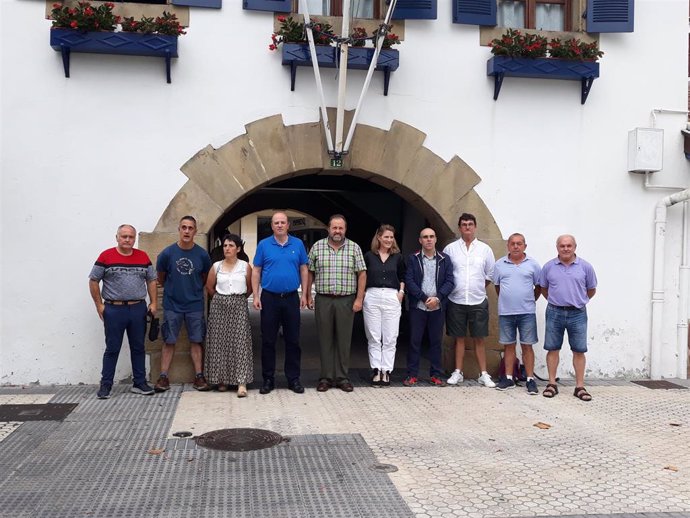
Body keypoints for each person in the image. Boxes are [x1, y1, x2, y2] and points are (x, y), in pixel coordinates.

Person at [88, 224, 157, 399]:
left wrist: (154, 302)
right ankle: (106, 386)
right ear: (117, 237)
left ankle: (139, 383)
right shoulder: (106, 256)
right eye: (124, 236)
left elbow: (151, 280)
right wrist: (99, 305)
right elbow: (94, 280)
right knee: (112, 348)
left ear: (134, 239)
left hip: (137, 308)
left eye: (131, 237)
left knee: (138, 347)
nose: (127, 240)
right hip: (114, 309)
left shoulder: (143, 256)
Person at [307, 214, 366, 393]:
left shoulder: (354, 248)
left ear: (345, 229)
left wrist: (359, 299)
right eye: (334, 228)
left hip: (346, 300)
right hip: (324, 299)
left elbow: (362, 274)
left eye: (341, 228)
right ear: (328, 229)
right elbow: (310, 272)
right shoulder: (317, 247)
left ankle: (342, 377)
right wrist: (308, 294)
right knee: (325, 339)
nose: (337, 231)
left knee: (344, 339)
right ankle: (325, 377)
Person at [251, 211, 309, 395]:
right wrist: (256, 295)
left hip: (291, 297)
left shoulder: (298, 244)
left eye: (283, 222)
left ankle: (293, 379)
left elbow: (304, 269)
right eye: (276, 223)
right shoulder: (264, 245)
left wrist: (304, 294)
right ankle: (268, 379)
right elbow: (256, 271)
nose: (280, 225)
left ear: (288, 225)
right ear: (272, 226)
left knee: (293, 340)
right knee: (268, 340)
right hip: (269, 298)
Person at [154, 215, 212, 392]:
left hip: (194, 304)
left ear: (195, 231)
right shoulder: (167, 253)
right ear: (179, 229)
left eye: (190, 228)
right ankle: (163, 377)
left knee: (196, 340)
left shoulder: (202, 255)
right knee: (169, 340)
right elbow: (161, 277)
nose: (187, 231)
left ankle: (199, 376)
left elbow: (204, 278)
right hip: (172, 305)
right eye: (184, 227)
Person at [539, 234, 597, 401]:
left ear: (574, 247)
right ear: (557, 247)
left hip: (577, 313)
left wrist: (579, 300)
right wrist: (556, 301)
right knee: (552, 348)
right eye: (562, 246)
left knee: (579, 350)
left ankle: (579, 387)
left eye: (569, 246)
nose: (565, 248)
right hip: (554, 312)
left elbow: (591, 289)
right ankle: (551, 384)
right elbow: (543, 288)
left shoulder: (585, 267)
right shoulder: (549, 267)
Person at [443, 213, 496, 387]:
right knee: (458, 338)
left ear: (475, 227)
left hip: (478, 299)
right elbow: (446, 273)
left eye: (470, 224)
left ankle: (483, 374)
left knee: (479, 338)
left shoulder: (485, 249)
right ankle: (458, 372)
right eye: (464, 224)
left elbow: (489, 275)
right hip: (456, 299)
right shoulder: (450, 249)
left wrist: (477, 286)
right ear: (459, 227)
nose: (467, 227)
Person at [403, 228, 455, 387]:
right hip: (418, 306)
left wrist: (438, 298)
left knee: (436, 342)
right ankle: (412, 375)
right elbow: (409, 281)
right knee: (414, 341)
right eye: (425, 237)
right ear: (420, 240)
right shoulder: (413, 259)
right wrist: (425, 298)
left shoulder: (445, 259)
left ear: (436, 239)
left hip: (437, 307)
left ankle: (436, 375)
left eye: (431, 236)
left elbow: (450, 281)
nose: (429, 239)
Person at [205, 234, 253, 398]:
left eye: (231, 246)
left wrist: (237, 299)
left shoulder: (245, 266)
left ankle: (241, 382)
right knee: (220, 342)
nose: (227, 248)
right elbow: (209, 286)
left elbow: (250, 288)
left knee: (239, 342)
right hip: (219, 305)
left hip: (238, 304)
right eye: (225, 245)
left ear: (238, 249)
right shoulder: (216, 266)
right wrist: (220, 298)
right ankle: (222, 380)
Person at [493, 233, 542, 394]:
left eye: (519, 243)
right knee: (508, 345)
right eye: (512, 243)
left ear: (524, 246)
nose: (515, 246)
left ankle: (530, 379)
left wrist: (529, 301)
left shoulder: (533, 265)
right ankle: (508, 378)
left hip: (526, 312)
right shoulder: (500, 264)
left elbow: (539, 287)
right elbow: (497, 287)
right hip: (506, 312)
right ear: (508, 246)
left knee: (527, 345)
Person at [363, 224, 406, 387]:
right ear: (379, 237)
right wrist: (364, 294)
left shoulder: (398, 257)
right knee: (373, 336)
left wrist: (401, 292)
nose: (389, 240)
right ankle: (376, 370)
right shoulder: (369, 256)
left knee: (390, 336)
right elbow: (362, 275)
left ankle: (386, 371)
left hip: (391, 296)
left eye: (391, 237)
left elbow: (403, 275)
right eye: (386, 236)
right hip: (372, 295)